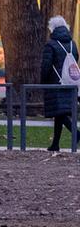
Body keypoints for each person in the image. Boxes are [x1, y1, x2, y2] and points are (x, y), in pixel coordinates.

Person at [41, 15, 80, 151]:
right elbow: (76, 59)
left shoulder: (50, 44)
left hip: (56, 83)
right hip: (69, 81)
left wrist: (43, 82)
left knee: (60, 113)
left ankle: (76, 133)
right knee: (60, 113)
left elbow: (46, 65)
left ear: (52, 29)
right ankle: (55, 144)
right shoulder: (72, 43)